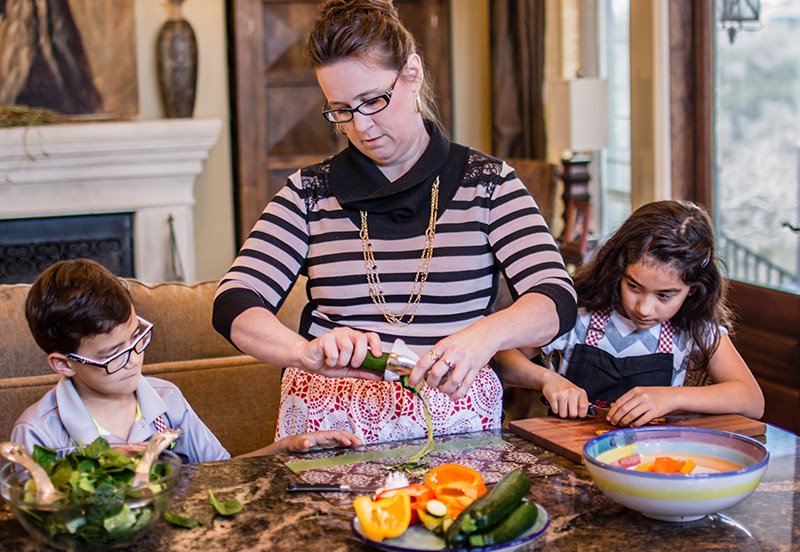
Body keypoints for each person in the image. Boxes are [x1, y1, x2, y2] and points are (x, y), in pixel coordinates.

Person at [212, 0, 577, 445]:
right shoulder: (308, 193)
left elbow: (555, 299)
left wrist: (483, 336)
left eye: (373, 101)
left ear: (413, 73)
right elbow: (234, 302)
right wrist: (302, 353)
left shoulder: (488, 184)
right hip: (331, 423)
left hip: (454, 420)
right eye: (340, 110)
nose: (361, 126)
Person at [11, 259, 362, 461]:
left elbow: (220, 472)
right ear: (63, 363)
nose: (134, 359)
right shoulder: (38, 433)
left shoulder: (166, 401)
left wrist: (284, 448)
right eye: (112, 355)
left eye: (136, 337)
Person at [497, 200, 764, 426]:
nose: (644, 308)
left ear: (693, 289)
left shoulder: (694, 327)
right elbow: (501, 355)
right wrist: (547, 379)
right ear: (618, 269)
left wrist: (673, 398)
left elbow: (751, 400)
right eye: (633, 286)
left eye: (665, 295)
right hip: (568, 453)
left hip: (650, 463)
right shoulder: (575, 312)